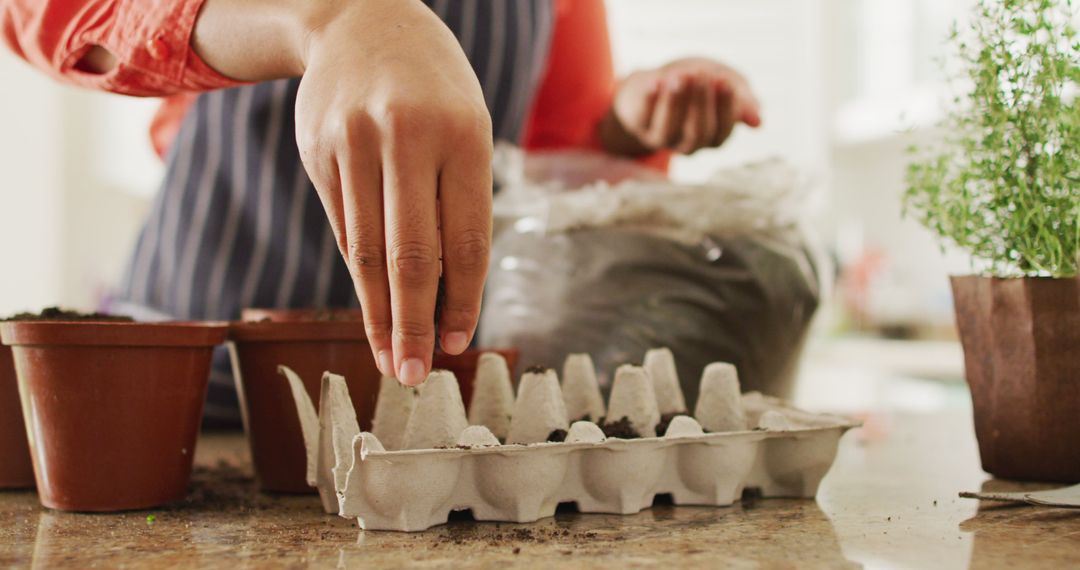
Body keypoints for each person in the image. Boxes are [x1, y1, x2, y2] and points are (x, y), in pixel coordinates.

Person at [2, 0, 760, 424]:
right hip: (189, 399)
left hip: (426, 415)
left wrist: (632, 116)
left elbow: (551, 148)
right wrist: (326, 18)